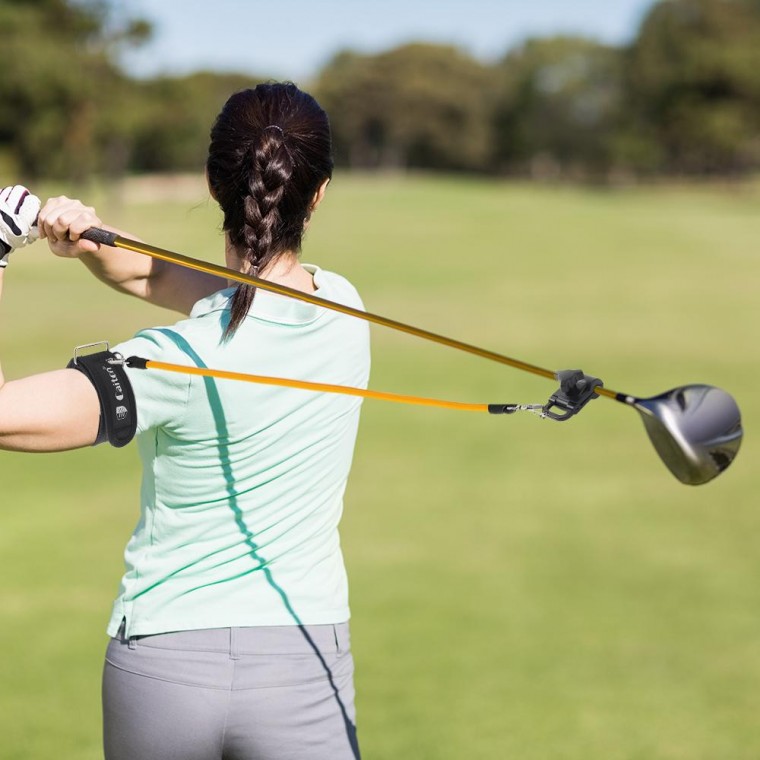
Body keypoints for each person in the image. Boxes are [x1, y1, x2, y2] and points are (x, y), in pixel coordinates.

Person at [0, 82, 369, 760]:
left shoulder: (165, 361)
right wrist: (89, 240)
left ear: (211, 183)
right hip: (304, 661)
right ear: (316, 194)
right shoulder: (347, 309)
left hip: (164, 668)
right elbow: (160, 276)